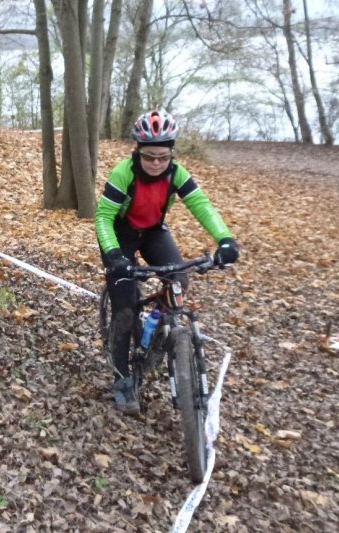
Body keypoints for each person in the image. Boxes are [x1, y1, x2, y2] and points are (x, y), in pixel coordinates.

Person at [95, 109, 239, 415]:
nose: (157, 163)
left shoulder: (177, 173)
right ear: (138, 151)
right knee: (124, 309)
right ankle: (122, 379)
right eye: (149, 157)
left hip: (153, 232)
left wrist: (224, 239)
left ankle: (155, 340)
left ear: (172, 152)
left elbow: (201, 205)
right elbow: (104, 217)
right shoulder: (124, 173)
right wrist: (113, 255)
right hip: (121, 235)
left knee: (179, 280)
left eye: (163, 156)